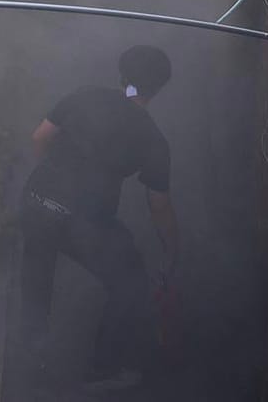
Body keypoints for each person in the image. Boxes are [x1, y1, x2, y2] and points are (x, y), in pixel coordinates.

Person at [15, 45, 179, 394]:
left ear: (123, 76)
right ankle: (104, 369)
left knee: (36, 279)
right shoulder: (153, 140)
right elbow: (159, 205)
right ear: (159, 88)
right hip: (83, 223)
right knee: (130, 280)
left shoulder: (84, 95)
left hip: (37, 202)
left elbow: (40, 137)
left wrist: (52, 177)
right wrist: (171, 250)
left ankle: (29, 361)